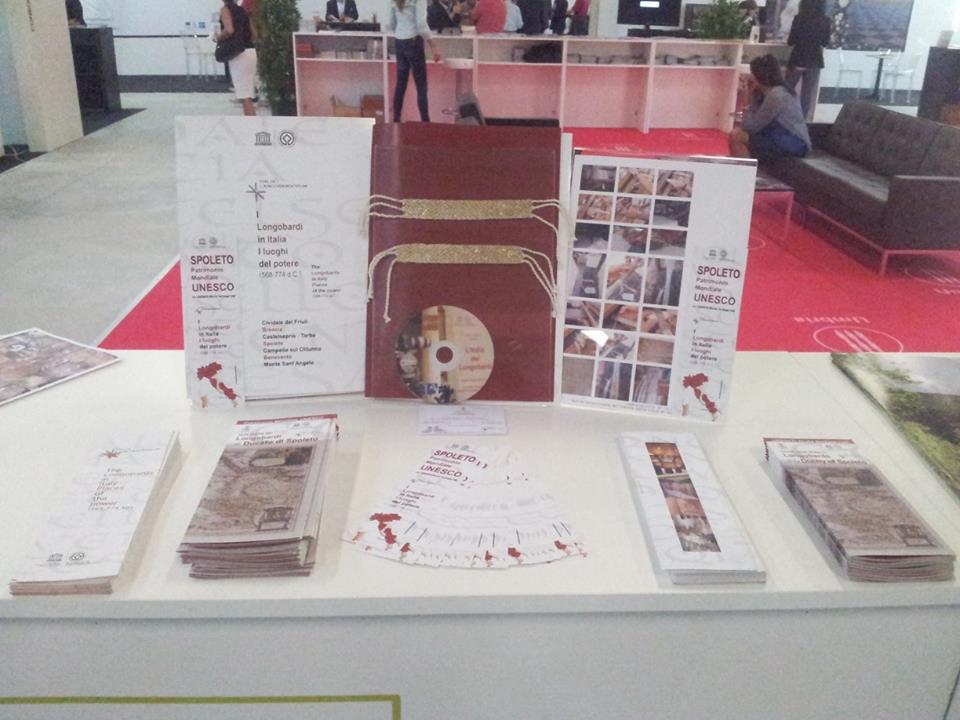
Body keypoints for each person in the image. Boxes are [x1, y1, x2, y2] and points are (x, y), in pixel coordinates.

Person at [729, 54, 811, 162]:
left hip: (794, 141)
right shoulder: (767, 92)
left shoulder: (777, 95)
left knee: (737, 136)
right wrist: (751, 95)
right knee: (738, 134)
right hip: (778, 136)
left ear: (760, 75)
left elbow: (751, 127)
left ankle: (745, 171)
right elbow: (753, 121)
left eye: (752, 73)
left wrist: (745, 103)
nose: (750, 76)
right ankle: (748, 169)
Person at [390, 0, 439, 122]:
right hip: (414, 41)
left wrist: (402, 30)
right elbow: (421, 25)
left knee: (400, 84)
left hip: (399, 41)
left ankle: (396, 120)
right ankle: (425, 122)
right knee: (421, 86)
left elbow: (392, 24)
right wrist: (433, 45)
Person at [785, 0, 830, 120]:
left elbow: (791, 41)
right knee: (807, 94)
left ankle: (783, 116)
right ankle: (802, 121)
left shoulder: (799, 18)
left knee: (786, 90)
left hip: (798, 58)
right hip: (815, 60)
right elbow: (825, 42)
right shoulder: (825, 20)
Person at [215, 0, 257, 116]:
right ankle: (251, 121)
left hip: (239, 54)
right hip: (250, 51)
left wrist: (218, 37)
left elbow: (229, 30)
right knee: (248, 92)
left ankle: (251, 123)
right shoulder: (243, 10)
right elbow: (254, 34)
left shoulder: (225, 10)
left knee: (244, 95)